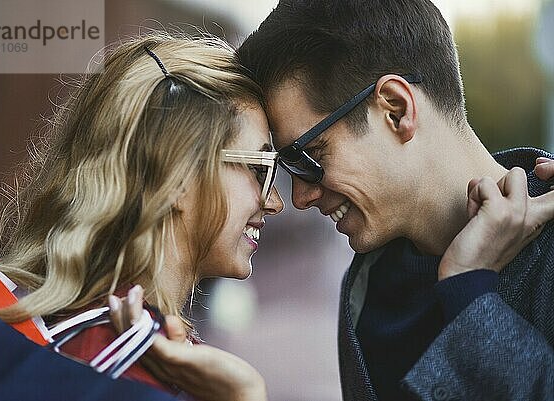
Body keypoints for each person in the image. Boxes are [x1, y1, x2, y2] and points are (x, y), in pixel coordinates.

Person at [131, 1, 554, 400]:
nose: (299, 197)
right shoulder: (366, 288)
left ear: (395, 109)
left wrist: (468, 292)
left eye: (309, 158)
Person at [0, 33, 283, 400]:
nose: (275, 201)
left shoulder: (57, 340)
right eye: (260, 168)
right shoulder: (117, 367)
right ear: (176, 176)